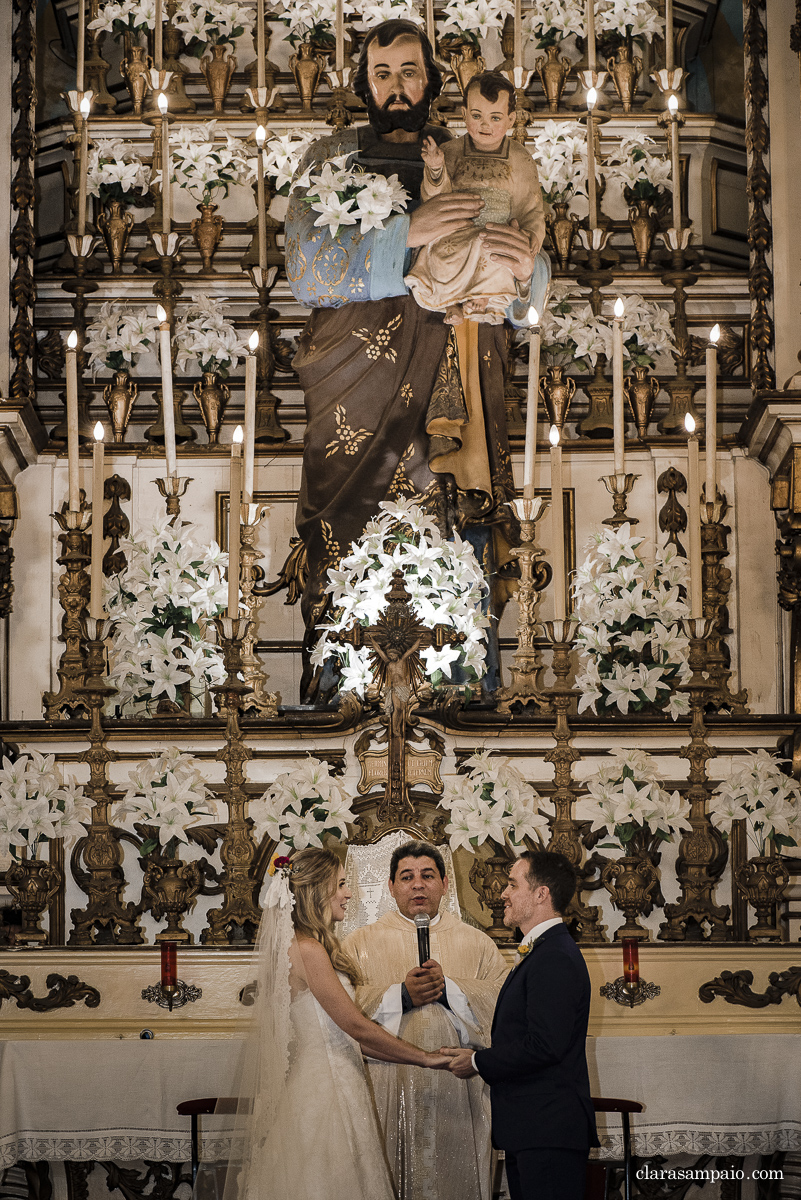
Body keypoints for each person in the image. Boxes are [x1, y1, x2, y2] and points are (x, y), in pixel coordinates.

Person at [283, 20, 551, 701]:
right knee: (349, 534)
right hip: (357, 386)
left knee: (454, 522)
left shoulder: (472, 153)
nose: (396, 85)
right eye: (382, 72)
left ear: (431, 80)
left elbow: (518, 258)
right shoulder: (332, 155)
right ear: (362, 83)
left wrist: (531, 273)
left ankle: (459, 695)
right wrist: (408, 237)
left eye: (409, 71)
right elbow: (305, 267)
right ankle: (340, 701)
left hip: (454, 373)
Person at [228, 848, 449, 1200]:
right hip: (325, 1089)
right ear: (317, 890)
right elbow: (356, 1028)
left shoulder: (304, 946)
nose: (348, 894)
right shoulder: (308, 951)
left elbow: (356, 1039)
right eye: (341, 885)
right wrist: (425, 1058)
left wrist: (419, 1057)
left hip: (333, 1078)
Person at [342, 840, 508, 1200]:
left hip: (457, 1089)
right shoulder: (358, 944)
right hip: (386, 1084)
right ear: (390, 887)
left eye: (428, 875)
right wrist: (401, 996)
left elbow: (504, 1007)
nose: (418, 884)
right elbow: (340, 1011)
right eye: (407, 877)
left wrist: (450, 990)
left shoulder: (477, 943)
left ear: (445, 884)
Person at [443, 850, 599, 1200]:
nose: (503, 893)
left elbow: (545, 1045)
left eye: (513, 884)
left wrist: (477, 1062)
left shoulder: (555, 956)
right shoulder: (544, 951)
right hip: (534, 1128)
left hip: (548, 1131)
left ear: (541, 894)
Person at [405, 72, 545, 327]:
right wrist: (436, 169)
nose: (485, 125)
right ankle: (450, 300)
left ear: (511, 119)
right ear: (464, 113)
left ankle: (482, 297)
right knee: (440, 255)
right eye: (477, 116)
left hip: (495, 232)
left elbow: (531, 208)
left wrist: (530, 238)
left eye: (495, 118)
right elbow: (435, 201)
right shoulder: (451, 151)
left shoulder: (520, 158)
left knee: (492, 250)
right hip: (455, 228)